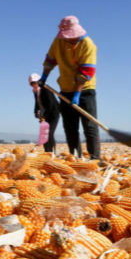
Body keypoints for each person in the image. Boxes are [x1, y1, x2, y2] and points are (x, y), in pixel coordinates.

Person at [39, 16, 99, 159]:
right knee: (70, 127)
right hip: (65, 91)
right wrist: (44, 77)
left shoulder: (88, 45)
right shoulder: (58, 41)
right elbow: (50, 60)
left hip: (85, 90)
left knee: (90, 126)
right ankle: (75, 157)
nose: (70, 39)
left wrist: (77, 95)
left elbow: (86, 73)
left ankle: (95, 158)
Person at [29, 73, 59, 153]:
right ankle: (47, 152)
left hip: (53, 113)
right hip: (45, 114)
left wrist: (44, 116)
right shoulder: (35, 91)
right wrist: (35, 111)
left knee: (50, 132)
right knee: (44, 134)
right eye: (32, 83)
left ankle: (53, 152)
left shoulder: (45, 89)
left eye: (35, 82)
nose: (34, 85)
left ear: (39, 81)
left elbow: (50, 103)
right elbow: (37, 101)